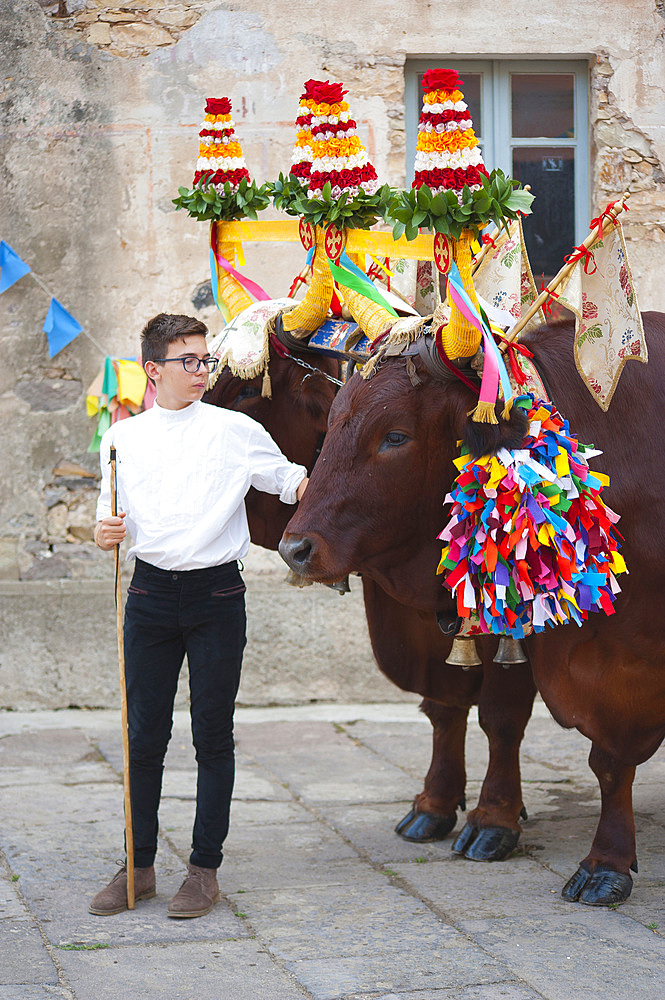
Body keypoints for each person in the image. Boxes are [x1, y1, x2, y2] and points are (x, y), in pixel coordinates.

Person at [89, 313, 308, 919]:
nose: (202, 371)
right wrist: (104, 532)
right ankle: (138, 864)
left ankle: (203, 871)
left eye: (205, 359)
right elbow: (104, 521)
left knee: (212, 734)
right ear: (153, 370)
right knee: (143, 735)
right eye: (189, 361)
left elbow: (291, 482)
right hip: (149, 598)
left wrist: (333, 474)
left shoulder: (235, 429)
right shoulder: (121, 441)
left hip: (216, 599)